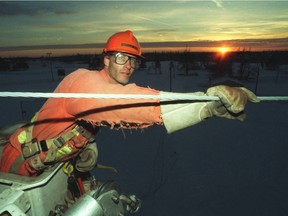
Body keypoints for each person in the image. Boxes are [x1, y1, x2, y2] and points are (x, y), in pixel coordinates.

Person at [0, 30, 260, 177]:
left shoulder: (104, 87)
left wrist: (81, 148)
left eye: (134, 61)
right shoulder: (82, 81)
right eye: (122, 58)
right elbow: (129, 104)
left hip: (49, 169)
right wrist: (206, 103)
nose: (129, 66)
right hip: (17, 167)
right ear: (106, 60)